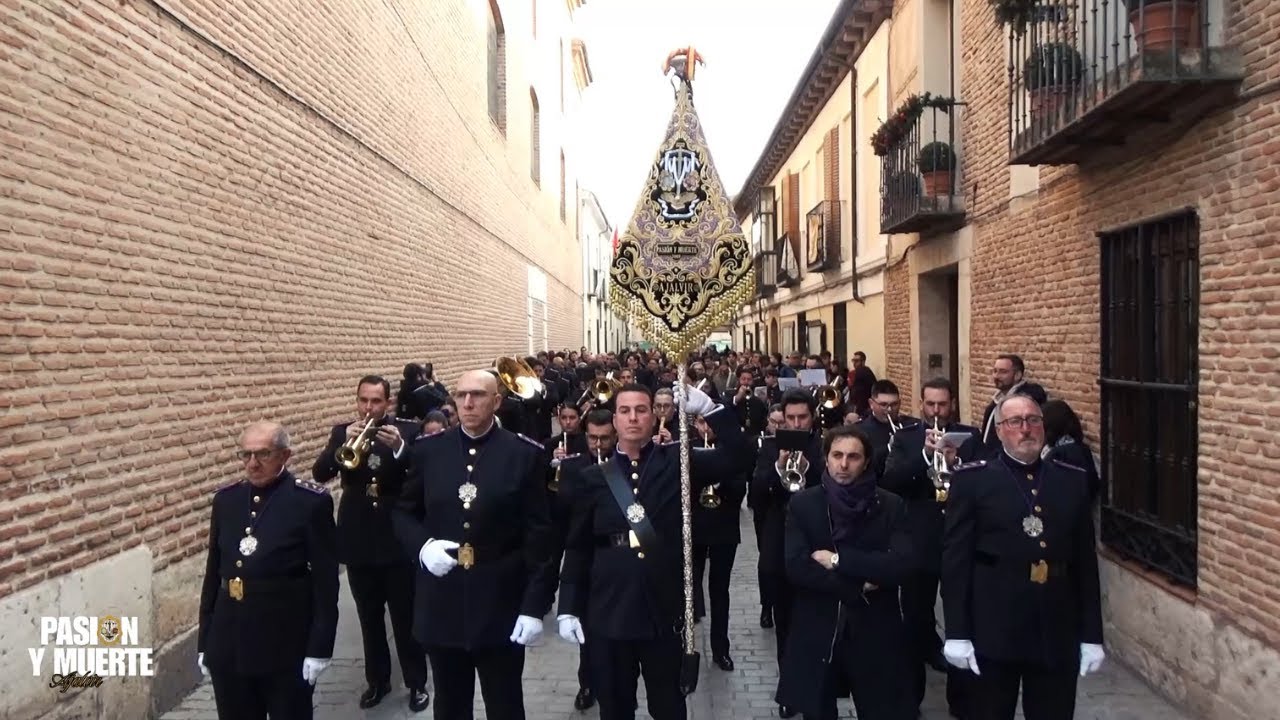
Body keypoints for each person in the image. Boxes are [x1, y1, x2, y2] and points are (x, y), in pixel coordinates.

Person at [556, 382, 749, 720]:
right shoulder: (590, 478)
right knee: (615, 707)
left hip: (662, 608)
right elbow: (578, 547)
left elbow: (738, 457)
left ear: (655, 414)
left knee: (669, 706)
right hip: (609, 608)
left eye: (641, 410)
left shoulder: (679, 460)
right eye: (625, 411)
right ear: (614, 420)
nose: (633, 418)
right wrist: (568, 606)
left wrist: (710, 409)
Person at [393, 370, 556, 720]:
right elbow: (404, 513)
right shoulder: (429, 451)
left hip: (499, 600)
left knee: (505, 703)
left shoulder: (522, 454)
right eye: (462, 394)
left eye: (478, 395)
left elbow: (539, 536)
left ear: (496, 400)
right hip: (443, 599)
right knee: (450, 704)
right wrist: (423, 548)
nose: (468, 403)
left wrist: (533, 605)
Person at [942, 394, 1105, 720]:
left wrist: (1092, 635)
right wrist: (957, 632)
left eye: (1033, 420)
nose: (1025, 429)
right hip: (994, 623)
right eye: (1015, 422)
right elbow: (956, 562)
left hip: (1055, 623)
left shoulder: (1070, 478)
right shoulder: (973, 480)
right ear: (1000, 430)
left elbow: (1084, 562)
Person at [197, 421, 339, 720]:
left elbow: (326, 582)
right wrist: (206, 639)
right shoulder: (227, 500)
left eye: (262, 454)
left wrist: (320, 646)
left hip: (285, 640)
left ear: (285, 455)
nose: (252, 463)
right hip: (230, 637)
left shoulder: (309, 502)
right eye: (245, 455)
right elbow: (213, 573)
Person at [776, 424, 916, 720]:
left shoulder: (890, 505)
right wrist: (857, 585)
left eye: (853, 457)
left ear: (865, 461)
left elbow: (901, 564)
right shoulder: (804, 504)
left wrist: (839, 561)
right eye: (837, 455)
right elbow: (797, 566)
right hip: (818, 629)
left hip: (875, 632)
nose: (843, 464)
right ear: (825, 458)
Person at [311, 376, 429, 712]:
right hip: (359, 534)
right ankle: (377, 681)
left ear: (388, 403)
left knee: (405, 616)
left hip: (396, 535)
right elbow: (320, 474)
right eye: (363, 400)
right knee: (369, 615)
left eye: (376, 401)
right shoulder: (342, 432)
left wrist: (399, 451)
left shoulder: (407, 431)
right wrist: (339, 449)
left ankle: (416, 682)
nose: (368, 407)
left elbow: (422, 474)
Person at [880, 377, 981, 717]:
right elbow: (891, 481)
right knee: (915, 620)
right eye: (930, 404)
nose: (936, 411)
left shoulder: (970, 437)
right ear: (921, 404)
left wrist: (956, 465)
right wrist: (925, 456)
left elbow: (987, 484)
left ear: (952, 403)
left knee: (962, 622)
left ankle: (962, 699)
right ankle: (911, 698)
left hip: (959, 542)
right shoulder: (906, 438)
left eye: (942, 404)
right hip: (919, 542)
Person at [750, 390, 825, 719]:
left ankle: (817, 686)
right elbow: (755, 496)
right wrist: (779, 470)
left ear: (812, 418)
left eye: (802, 418)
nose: (796, 424)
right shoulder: (769, 448)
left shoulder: (823, 447)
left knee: (815, 623)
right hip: (780, 545)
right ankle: (789, 690)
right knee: (785, 625)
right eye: (791, 418)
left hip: (817, 547)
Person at [547, 408, 619, 711]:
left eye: (604, 439)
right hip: (585, 555)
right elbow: (560, 514)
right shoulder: (574, 467)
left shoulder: (623, 465)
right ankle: (587, 683)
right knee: (587, 628)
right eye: (592, 438)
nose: (598, 445)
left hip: (614, 556)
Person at [690, 412, 748, 672]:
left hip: (724, 527)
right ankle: (686, 646)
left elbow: (739, 490)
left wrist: (719, 479)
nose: (706, 427)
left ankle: (720, 649)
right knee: (690, 588)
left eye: (709, 423)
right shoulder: (688, 451)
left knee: (719, 591)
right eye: (701, 422)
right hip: (696, 528)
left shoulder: (731, 453)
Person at [979, 354, 1048, 451]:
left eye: (1003, 372)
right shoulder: (996, 401)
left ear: (1017, 375)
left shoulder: (1027, 399)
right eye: (995, 371)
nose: (996, 376)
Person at [856, 380, 919, 478]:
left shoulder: (912, 425)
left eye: (894, 404)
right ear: (871, 403)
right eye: (883, 405)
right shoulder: (859, 431)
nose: (889, 410)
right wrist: (889, 448)